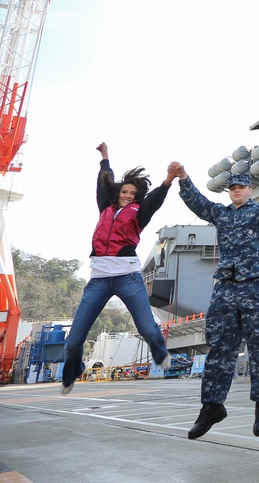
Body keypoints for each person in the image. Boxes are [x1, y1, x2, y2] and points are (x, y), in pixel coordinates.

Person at [174, 164, 259, 440]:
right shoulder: (221, 214)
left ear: (249, 190)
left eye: (241, 188)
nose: (237, 192)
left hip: (255, 285)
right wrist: (184, 179)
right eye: (233, 189)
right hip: (226, 286)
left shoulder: (258, 212)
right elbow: (199, 204)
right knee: (219, 346)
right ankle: (212, 406)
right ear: (230, 192)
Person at [61, 143, 180, 394]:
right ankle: (73, 370)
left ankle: (160, 354)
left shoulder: (139, 213)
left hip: (127, 276)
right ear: (117, 193)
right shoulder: (105, 207)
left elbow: (156, 199)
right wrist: (105, 158)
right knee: (73, 341)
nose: (127, 195)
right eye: (123, 191)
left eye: (131, 193)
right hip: (99, 279)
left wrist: (168, 180)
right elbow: (103, 181)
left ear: (136, 197)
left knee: (147, 327)